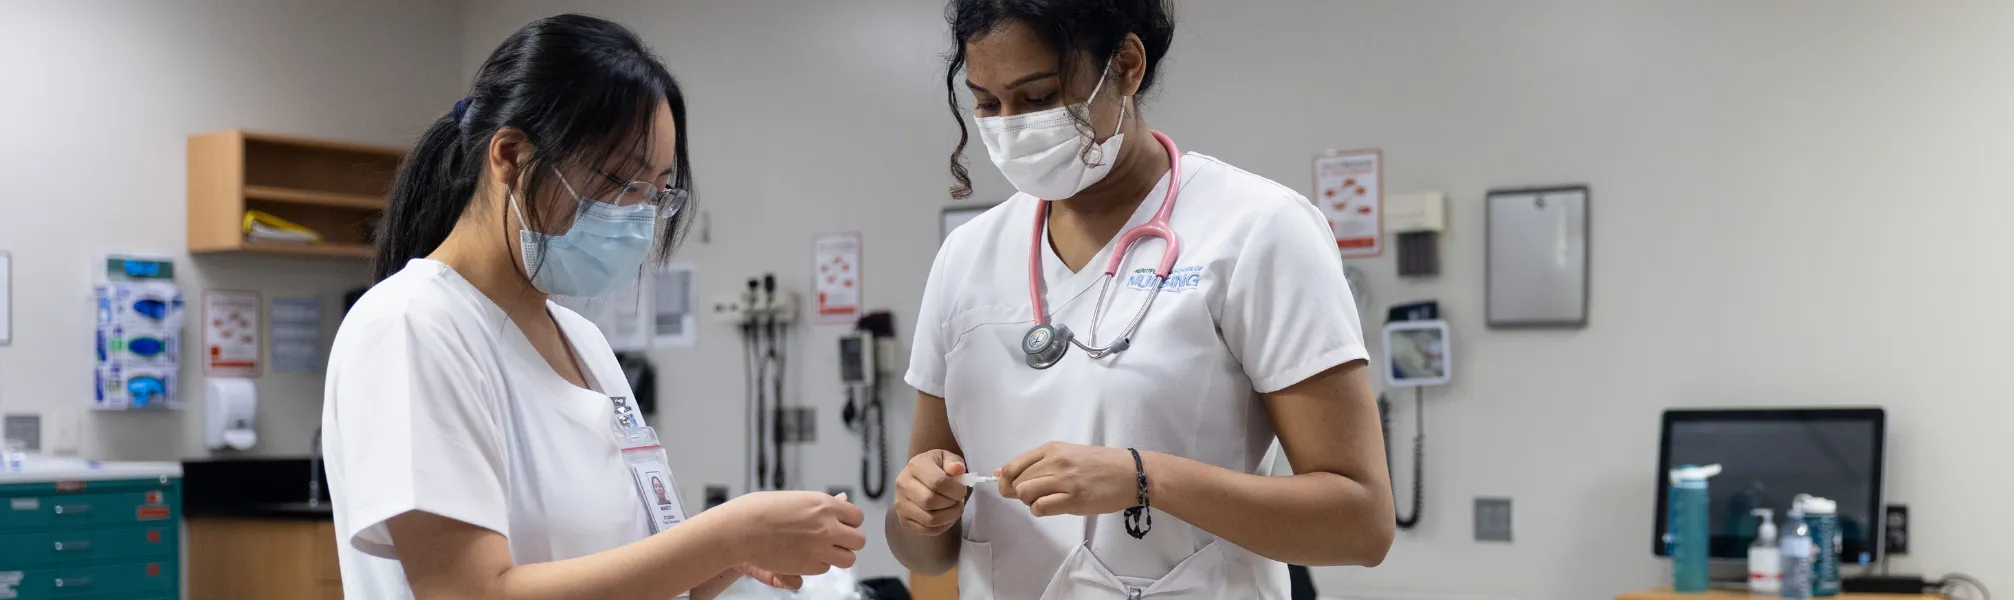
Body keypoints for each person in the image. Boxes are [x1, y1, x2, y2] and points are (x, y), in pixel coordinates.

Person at [322, 15, 864, 600]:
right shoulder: (412, 326)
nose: (640, 215)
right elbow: (470, 592)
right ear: (510, 156)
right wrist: (725, 537)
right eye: (624, 182)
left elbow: (625, 570)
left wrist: (746, 549)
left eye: (657, 191)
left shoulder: (581, 340)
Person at [888, 1, 1397, 598]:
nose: (1011, 125)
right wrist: (922, 511)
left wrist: (1142, 477)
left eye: (1037, 97)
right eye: (986, 103)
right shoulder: (966, 255)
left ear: (1127, 65)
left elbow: (1360, 525)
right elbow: (920, 548)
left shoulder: (1257, 229)